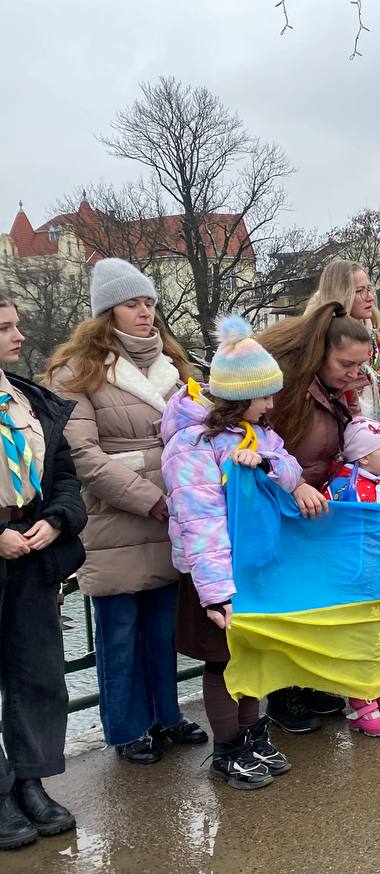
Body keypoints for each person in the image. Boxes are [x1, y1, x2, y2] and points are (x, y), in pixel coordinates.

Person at [46, 258, 208, 763]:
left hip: (174, 518)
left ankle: (166, 714)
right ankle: (126, 729)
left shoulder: (177, 366)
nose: (146, 313)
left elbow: (201, 433)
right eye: (133, 303)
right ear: (106, 312)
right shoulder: (76, 373)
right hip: (119, 519)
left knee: (164, 626)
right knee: (118, 634)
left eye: (150, 303)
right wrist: (153, 494)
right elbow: (83, 457)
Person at [160, 315, 301, 789]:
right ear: (241, 397)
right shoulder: (192, 445)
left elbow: (289, 469)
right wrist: (216, 594)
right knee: (222, 662)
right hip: (213, 578)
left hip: (251, 570)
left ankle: (251, 732)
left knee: (251, 658)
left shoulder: (258, 437)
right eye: (265, 395)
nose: (271, 404)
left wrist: (266, 462)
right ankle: (228, 748)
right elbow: (201, 523)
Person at [255, 298, 371, 733]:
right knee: (287, 604)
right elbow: (261, 448)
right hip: (282, 506)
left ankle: (307, 683)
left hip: (317, 505)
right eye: (346, 364)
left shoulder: (338, 390)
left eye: (359, 366)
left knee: (313, 600)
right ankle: (283, 694)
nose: (354, 374)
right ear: (319, 353)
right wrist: (294, 484)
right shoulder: (284, 391)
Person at [0, 291, 86, 849]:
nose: (19, 335)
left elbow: (64, 477)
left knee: (36, 672)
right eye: (6, 326)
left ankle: (29, 782)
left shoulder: (30, 401)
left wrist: (56, 520)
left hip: (31, 554)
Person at [319, 418, 380, 736]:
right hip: (354, 581)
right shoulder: (339, 486)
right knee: (358, 642)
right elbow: (328, 529)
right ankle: (361, 704)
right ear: (363, 457)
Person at [308, 259, 380, 415]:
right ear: (342, 294)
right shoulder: (321, 341)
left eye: (369, 289)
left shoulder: (377, 340)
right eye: (360, 290)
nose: (370, 297)